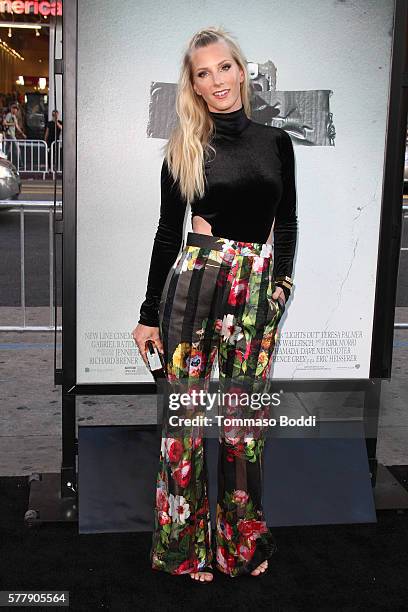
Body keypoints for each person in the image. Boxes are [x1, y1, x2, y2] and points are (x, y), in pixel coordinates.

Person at [132, 26, 297, 582]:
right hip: (194, 288)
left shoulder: (276, 142)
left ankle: (240, 546)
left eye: (224, 67)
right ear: (195, 86)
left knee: (242, 425)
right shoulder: (184, 147)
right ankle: (182, 551)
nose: (217, 80)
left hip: (254, 294)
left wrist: (282, 286)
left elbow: (288, 223)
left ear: (241, 71)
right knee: (186, 424)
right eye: (203, 73)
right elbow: (164, 235)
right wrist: (148, 315)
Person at [3, 103, 26, 167]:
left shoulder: (14, 116)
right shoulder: (9, 115)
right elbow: (4, 123)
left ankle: (4, 163)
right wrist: (12, 123)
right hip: (10, 134)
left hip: (11, 134)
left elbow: (17, 127)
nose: (15, 110)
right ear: (11, 109)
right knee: (16, 148)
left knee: (7, 150)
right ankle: (20, 164)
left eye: (16, 109)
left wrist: (22, 134)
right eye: (14, 108)